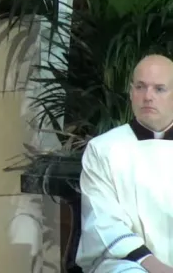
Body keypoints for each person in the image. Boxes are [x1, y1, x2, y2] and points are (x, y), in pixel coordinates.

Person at [76, 54, 173, 273]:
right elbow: (103, 221)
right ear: (131, 93)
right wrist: (157, 268)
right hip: (125, 262)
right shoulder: (104, 149)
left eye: (159, 89)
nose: (147, 96)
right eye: (140, 87)